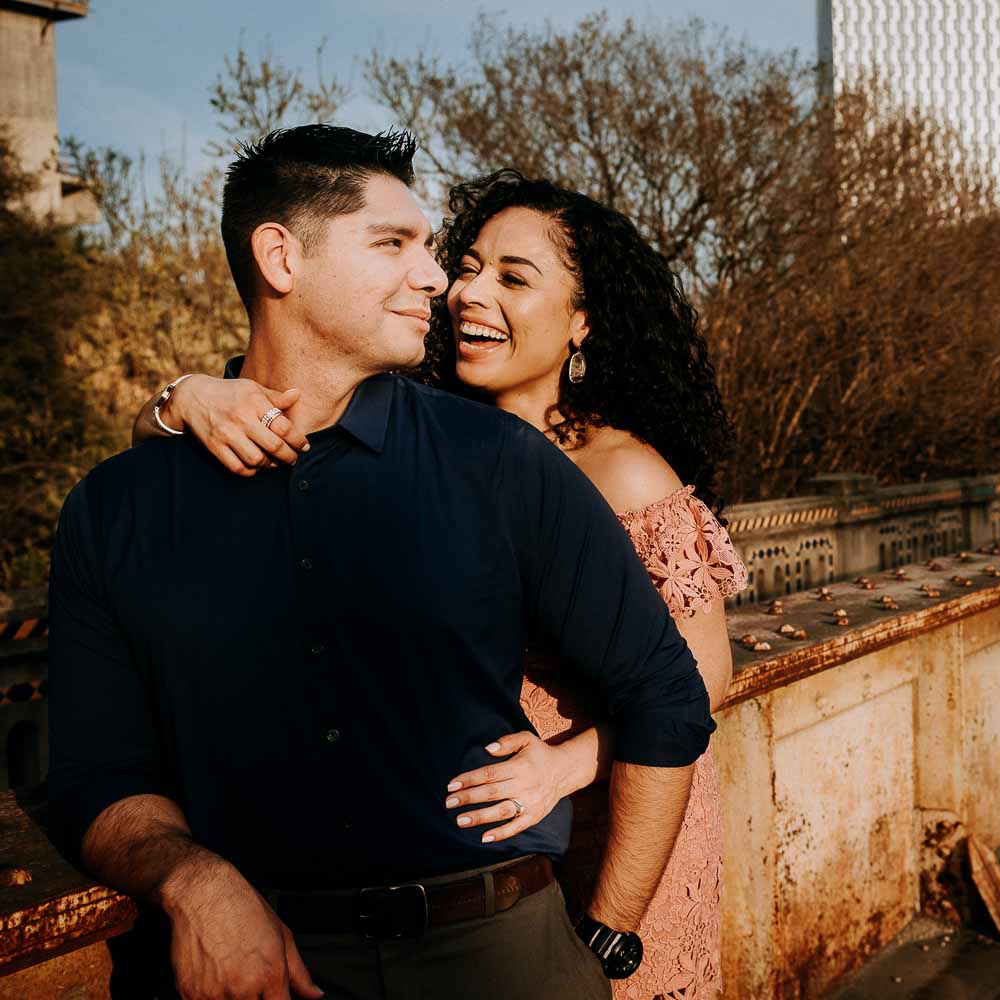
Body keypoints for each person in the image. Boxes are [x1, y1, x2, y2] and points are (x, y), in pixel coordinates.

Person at [48, 125, 718, 1000]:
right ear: (279, 259)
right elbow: (99, 773)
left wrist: (601, 942)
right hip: (252, 965)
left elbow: (679, 685)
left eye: (440, 253)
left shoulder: (508, 461)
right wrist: (192, 881)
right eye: (397, 244)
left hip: (505, 945)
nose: (441, 281)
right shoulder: (116, 507)